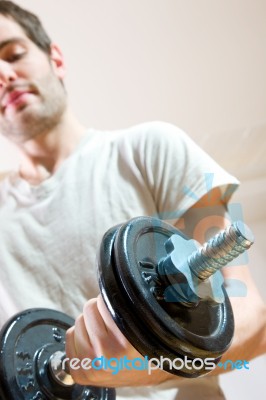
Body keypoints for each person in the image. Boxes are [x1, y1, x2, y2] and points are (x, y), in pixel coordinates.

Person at [0, 1, 265, 399]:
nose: (3, 75)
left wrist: (139, 371)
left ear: (55, 58)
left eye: (13, 54)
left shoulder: (152, 148)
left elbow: (254, 326)